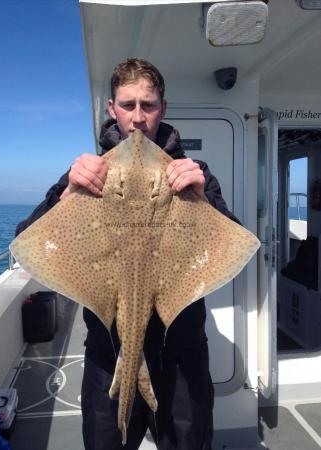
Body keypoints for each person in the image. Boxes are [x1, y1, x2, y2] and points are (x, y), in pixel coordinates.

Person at [16, 58, 239, 450]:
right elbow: (26, 241)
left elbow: (233, 241)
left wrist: (201, 200)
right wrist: (68, 192)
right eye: (128, 104)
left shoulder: (194, 174)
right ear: (112, 109)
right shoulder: (88, 174)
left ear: (163, 109)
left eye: (148, 105)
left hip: (180, 358)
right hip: (108, 352)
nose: (138, 118)